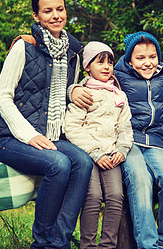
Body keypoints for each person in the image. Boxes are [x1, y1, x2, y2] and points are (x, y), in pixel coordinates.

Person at [0, 0, 93, 249]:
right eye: (48, 11)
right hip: (12, 138)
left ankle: (59, 242)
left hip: (52, 133)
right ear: (36, 16)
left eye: (60, 9)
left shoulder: (73, 51)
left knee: (82, 161)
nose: (56, 15)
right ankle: (41, 243)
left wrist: (74, 89)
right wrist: (30, 135)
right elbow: (3, 97)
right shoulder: (24, 46)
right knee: (58, 164)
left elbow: (61, 89)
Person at [70, 32, 163, 249]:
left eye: (152, 56)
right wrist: (73, 89)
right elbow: (91, 78)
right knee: (139, 178)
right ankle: (148, 244)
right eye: (140, 58)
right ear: (129, 60)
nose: (147, 63)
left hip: (154, 142)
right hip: (128, 142)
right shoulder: (117, 76)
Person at [64, 42, 133, 249]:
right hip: (89, 155)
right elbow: (72, 127)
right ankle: (87, 245)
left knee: (115, 196)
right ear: (87, 67)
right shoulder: (83, 93)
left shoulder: (118, 95)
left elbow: (125, 125)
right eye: (100, 62)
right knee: (93, 196)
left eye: (110, 62)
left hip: (112, 154)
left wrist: (122, 148)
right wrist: (94, 152)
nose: (106, 67)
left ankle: (107, 246)